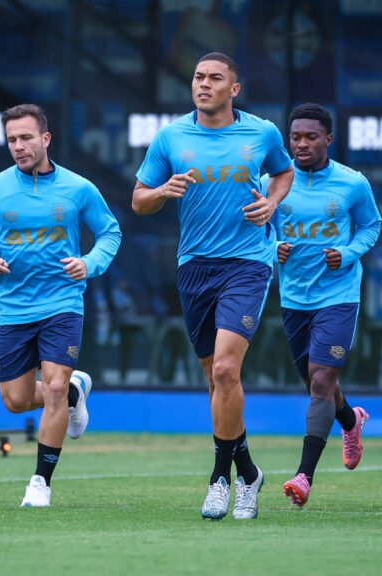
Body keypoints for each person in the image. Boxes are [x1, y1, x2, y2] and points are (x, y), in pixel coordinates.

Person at [132, 52, 294, 520]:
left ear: (234, 89)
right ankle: (250, 472)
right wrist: (163, 192)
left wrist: (272, 201)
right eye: (198, 77)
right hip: (194, 267)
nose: (203, 84)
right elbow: (138, 199)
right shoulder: (171, 136)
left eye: (215, 78)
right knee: (213, 379)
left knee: (225, 371)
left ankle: (221, 478)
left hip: (247, 264)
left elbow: (283, 172)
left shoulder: (262, 133)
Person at [0, 104, 121, 508]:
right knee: (15, 400)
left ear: (45, 139)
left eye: (26, 137)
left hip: (63, 303)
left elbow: (109, 232)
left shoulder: (78, 188)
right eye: (12, 139)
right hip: (14, 310)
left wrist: (89, 263)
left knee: (51, 386)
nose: (18, 146)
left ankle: (40, 482)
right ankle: (74, 391)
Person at [268, 103, 382, 508]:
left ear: (328, 139)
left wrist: (349, 253)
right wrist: (271, 248)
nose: (301, 143)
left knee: (320, 381)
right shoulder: (273, 182)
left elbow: (372, 226)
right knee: (317, 384)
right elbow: (258, 228)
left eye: (310, 136)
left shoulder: (353, 183)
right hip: (294, 297)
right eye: (295, 136)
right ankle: (351, 421)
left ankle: (304, 477)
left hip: (338, 296)